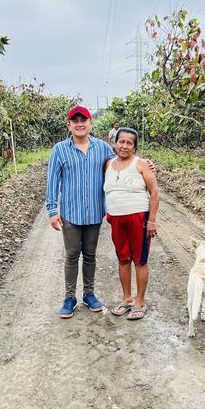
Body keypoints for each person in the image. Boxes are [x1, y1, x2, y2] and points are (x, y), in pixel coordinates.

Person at [46, 105, 115, 318]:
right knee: (72, 254)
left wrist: (144, 165)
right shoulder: (59, 149)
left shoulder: (102, 148)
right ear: (69, 125)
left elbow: (121, 163)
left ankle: (89, 294)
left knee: (90, 255)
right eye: (75, 121)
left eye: (83, 120)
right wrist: (52, 210)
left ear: (90, 124)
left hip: (94, 211)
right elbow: (52, 181)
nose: (79, 124)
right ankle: (69, 297)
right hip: (71, 213)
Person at [104, 128, 159, 320]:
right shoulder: (108, 164)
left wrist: (152, 220)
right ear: (115, 143)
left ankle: (139, 301)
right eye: (121, 141)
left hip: (139, 219)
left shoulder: (141, 164)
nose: (125, 146)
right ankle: (127, 299)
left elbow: (155, 192)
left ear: (135, 147)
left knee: (140, 260)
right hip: (116, 220)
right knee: (123, 259)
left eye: (129, 143)